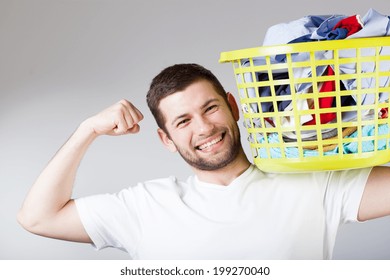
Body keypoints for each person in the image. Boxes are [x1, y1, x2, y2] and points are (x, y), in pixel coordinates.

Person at [17, 63, 390, 259]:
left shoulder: (314, 184)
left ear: (233, 106)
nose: (204, 128)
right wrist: (86, 131)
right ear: (166, 139)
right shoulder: (144, 206)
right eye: (183, 121)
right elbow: (37, 217)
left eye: (210, 108)